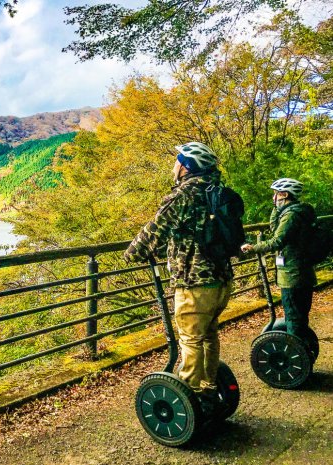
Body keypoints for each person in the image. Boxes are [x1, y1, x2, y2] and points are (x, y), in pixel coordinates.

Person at [124, 142, 233, 406]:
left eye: (178, 160)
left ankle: (191, 396)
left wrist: (131, 253)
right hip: (222, 280)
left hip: (194, 282)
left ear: (186, 167)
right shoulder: (216, 192)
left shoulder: (183, 195)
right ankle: (209, 387)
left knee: (190, 339)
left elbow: (154, 230)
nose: (174, 165)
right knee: (208, 335)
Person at [241, 178, 316, 342]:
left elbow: (277, 241)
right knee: (299, 317)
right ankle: (304, 355)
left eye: (276, 194)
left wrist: (254, 248)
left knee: (294, 318)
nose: (273, 197)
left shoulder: (291, 216)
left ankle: (297, 362)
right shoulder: (297, 212)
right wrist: (276, 208)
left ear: (285, 194)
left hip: (293, 275)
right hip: (301, 272)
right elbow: (275, 228)